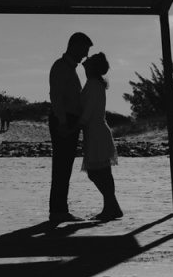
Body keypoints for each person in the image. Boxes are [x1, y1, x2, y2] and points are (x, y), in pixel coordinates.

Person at [47, 32, 92, 222]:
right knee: (61, 166)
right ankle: (58, 210)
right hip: (63, 120)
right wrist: (63, 122)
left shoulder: (70, 68)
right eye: (84, 50)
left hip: (68, 119)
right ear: (75, 46)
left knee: (64, 166)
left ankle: (60, 209)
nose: (86, 55)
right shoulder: (61, 67)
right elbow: (56, 96)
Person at [78, 52, 122, 220]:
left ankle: (111, 205)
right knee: (102, 172)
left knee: (97, 172)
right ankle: (111, 206)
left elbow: (89, 109)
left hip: (96, 131)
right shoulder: (94, 83)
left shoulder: (93, 84)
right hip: (96, 131)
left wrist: (78, 124)